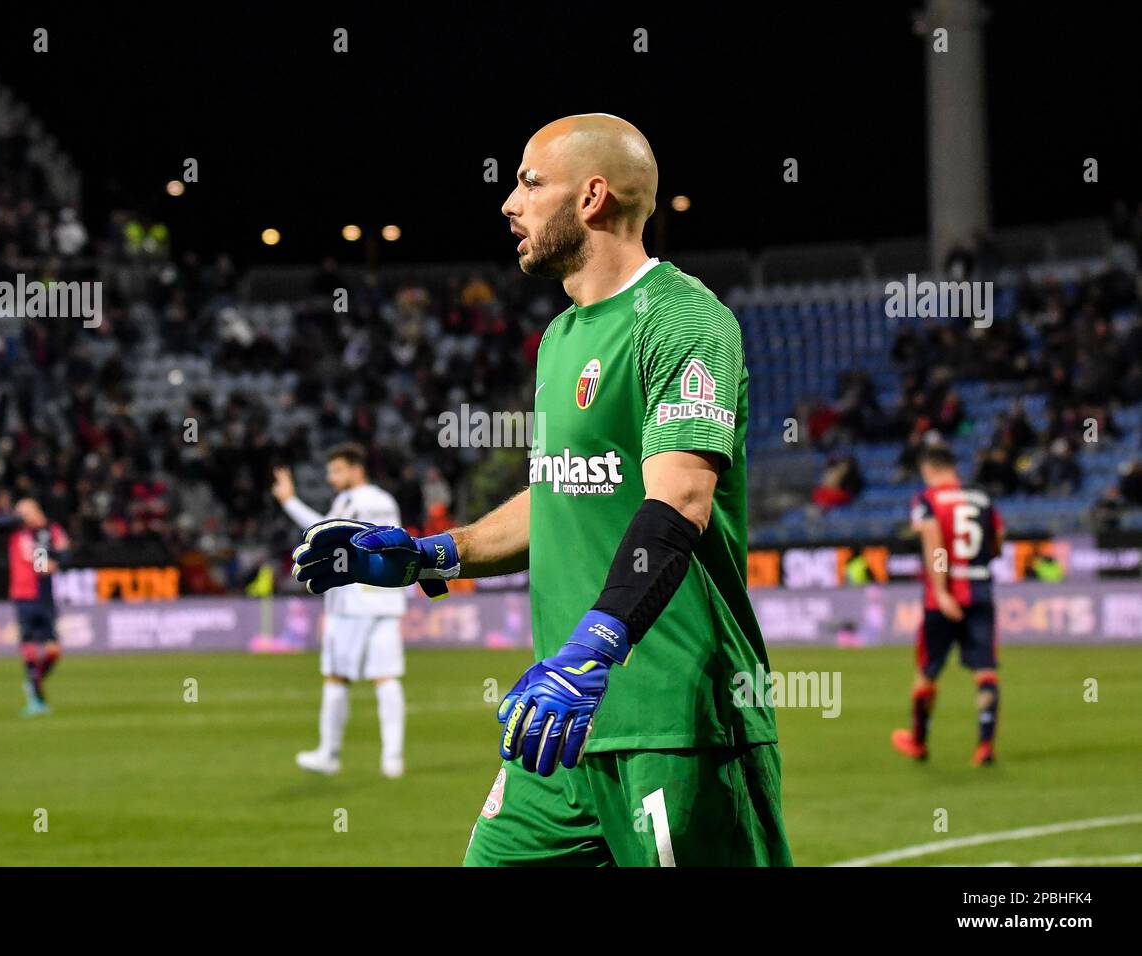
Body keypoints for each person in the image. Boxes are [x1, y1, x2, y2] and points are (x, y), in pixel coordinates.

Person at [291, 114, 790, 866]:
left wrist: (593, 648)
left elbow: (680, 500)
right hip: (558, 729)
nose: (509, 204)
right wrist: (432, 556)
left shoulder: (685, 319)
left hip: (675, 727)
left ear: (591, 198)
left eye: (529, 183)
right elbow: (557, 500)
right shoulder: (561, 337)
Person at [273, 444, 407, 778]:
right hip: (386, 598)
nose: (331, 479)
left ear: (356, 469)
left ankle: (329, 754)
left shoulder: (357, 501)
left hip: (354, 601)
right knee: (385, 676)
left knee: (336, 675)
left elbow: (324, 534)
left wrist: (289, 500)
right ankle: (392, 758)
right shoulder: (384, 500)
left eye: (337, 471)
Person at [893, 445, 1005, 766]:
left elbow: (932, 538)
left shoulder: (927, 500)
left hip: (942, 598)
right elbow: (998, 537)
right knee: (985, 670)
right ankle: (985, 746)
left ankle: (919, 741)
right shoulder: (982, 498)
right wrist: (982, 560)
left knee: (928, 671)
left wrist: (942, 591)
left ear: (929, 469)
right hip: (980, 590)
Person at [0, 498, 70, 717]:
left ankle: (33, 683)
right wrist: (19, 518)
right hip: (23, 595)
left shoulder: (48, 531)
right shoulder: (16, 532)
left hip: (45, 596)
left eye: (24, 512)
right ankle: (37, 699)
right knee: (28, 645)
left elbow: (62, 555)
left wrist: (55, 562)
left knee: (54, 650)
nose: (21, 517)